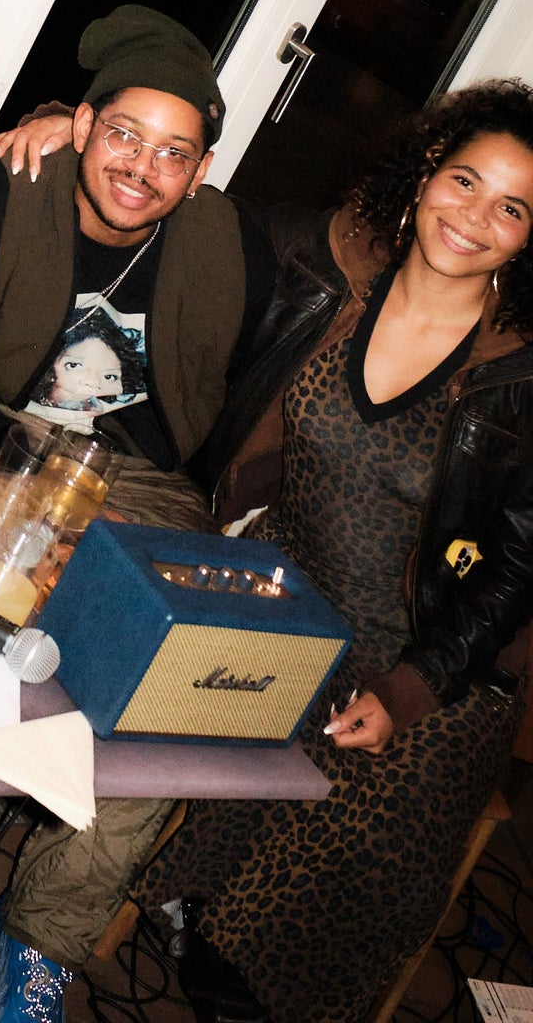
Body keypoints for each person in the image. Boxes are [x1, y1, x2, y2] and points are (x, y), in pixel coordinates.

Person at [0, 3, 275, 1023]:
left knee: (178, 678)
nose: (142, 168)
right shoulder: (5, 189)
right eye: (124, 135)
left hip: (137, 478)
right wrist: (28, 490)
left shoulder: (229, 244)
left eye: (174, 153)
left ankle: (39, 936)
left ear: (201, 170)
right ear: (84, 123)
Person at [132, 78, 533, 1023]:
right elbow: (185, 206)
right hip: (292, 598)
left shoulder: (520, 374)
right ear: (426, 173)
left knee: (287, 935)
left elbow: (514, 575)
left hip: (435, 657)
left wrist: (411, 690)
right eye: (464, 181)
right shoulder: (335, 268)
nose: (473, 218)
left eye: (512, 208)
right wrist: (61, 132)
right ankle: (201, 922)